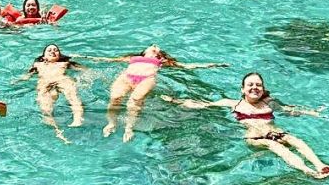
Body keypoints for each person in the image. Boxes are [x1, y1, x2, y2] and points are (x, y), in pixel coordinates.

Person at [162, 72, 329, 179]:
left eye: (258, 85)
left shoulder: (270, 103)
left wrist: (312, 112)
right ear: (242, 89)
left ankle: (319, 165)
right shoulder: (233, 104)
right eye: (250, 85)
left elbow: (289, 110)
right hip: (255, 138)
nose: (255, 87)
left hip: (277, 132)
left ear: (263, 88)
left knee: (297, 141)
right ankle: (307, 171)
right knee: (275, 146)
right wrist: (175, 101)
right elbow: (203, 104)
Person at [77, 45, 227, 143]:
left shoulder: (162, 62)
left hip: (147, 79)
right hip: (126, 77)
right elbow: (106, 59)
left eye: (158, 49)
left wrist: (213, 65)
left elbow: (188, 66)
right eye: (153, 47)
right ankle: (112, 123)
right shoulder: (132, 58)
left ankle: (129, 127)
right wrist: (80, 57)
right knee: (115, 98)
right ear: (144, 52)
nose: (156, 47)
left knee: (135, 100)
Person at [20, 44, 86, 142]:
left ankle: (78, 120)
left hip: (62, 80)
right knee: (45, 107)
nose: (53, 52)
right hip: (45, 83)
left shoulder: (65, 63)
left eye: (56, 50)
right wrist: (20, 80)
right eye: (49, 50)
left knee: (73, 98)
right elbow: (27, 75)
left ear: (59, 55)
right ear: (44, 57)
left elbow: (85, 70)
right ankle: (57, 131)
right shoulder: (37, 65)